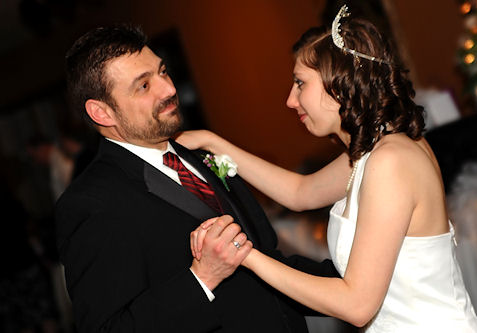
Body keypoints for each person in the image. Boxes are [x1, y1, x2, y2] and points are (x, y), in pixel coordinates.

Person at [181, 5, 477, 332]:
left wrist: (243, 254)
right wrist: (213, 143)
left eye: (300, 83)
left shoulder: (391, 160)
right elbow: (299, 193)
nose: (290, 100)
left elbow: (356, 304)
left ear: (338, 83)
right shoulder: (374, 149)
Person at [55, 24, 338, 332]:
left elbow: (267, 260)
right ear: (102, 113)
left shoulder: (199, 153)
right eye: (144, 86)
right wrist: (201, 278)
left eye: (162, 72)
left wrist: (365, 286)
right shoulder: (92, 203)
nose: (169, 89)